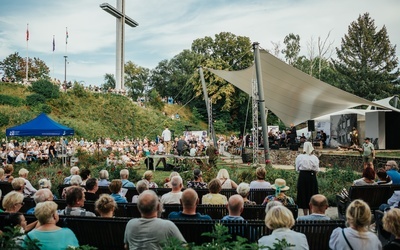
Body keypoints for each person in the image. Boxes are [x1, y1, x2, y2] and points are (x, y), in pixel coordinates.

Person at [295, 141, 319, 215]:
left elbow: (297, 167)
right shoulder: (314, 158)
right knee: (311, 193)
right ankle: (311, 212)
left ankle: (305, 213)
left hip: (303, 175)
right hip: (312, 176)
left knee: (303, 194)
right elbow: (317, 169)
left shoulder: (300, 157)